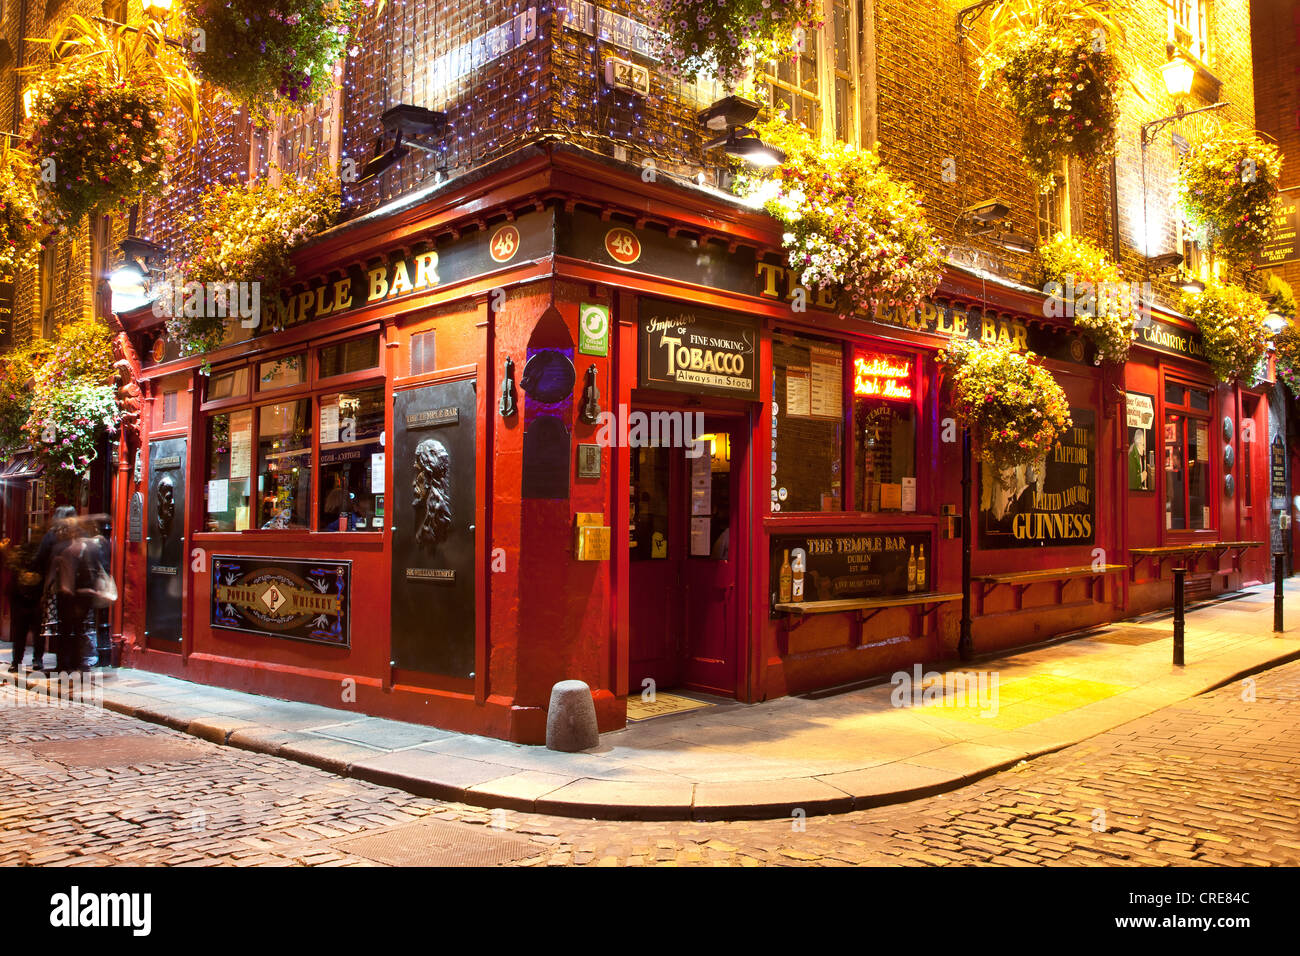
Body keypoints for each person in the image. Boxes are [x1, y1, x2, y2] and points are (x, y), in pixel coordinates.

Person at [34, 506, 77, 673]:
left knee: (52, 624)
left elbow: (40, 558)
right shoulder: (77, 535)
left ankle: (45, 659)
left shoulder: (51, 536)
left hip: (54, 586)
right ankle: (69, 661)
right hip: (73, 587)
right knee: (69, 626)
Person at [5, 537, 44, 671]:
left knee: (24, 633)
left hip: (32, 600)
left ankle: (19, 662)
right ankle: (25, 661)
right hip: (25, 600)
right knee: (27, 633)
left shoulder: (36, 563)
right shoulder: (20, 563)